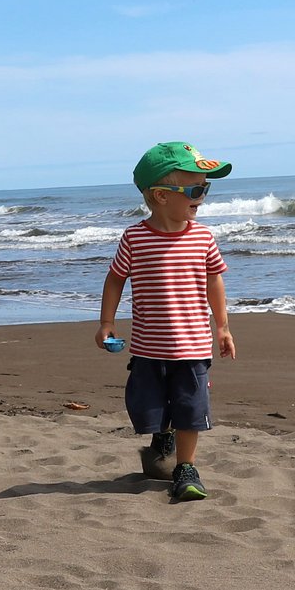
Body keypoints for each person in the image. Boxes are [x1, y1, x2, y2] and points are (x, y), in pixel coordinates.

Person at [97, 141, 236, 502]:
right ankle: (163, 436)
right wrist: (106, 322)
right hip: (147, 347)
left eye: (206, 187)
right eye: (195, 188)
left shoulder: (203, 237)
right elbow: (115, 278)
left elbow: (214, 280)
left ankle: (186, 468)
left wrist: (222, 326)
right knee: (147, 410)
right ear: (160, 195)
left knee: (191, 409)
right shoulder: (135, 238)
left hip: (192, 346)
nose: (202, 196)